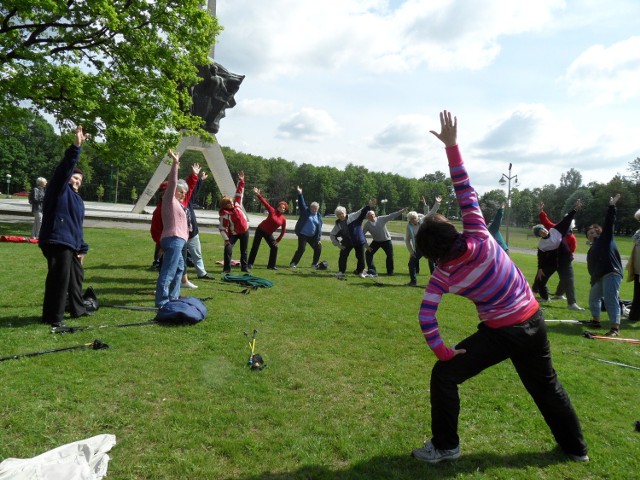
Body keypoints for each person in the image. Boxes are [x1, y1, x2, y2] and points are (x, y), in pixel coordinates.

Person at [411, 110, 588, 464]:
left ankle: (446, 446)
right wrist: (452, 146)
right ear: (451, 230)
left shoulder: (442, 275)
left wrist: (443, 351)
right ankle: (576, 449)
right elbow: (463, 185)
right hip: (533, 321)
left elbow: (426, 316)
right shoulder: (478, 231)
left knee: (444, 375)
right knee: (546, 386)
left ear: (430, 253)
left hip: (503, 331)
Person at [39, 126, 91, 327]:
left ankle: (78, 310)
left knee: (76, 276)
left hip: (71, 242)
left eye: (80, 180)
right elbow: (65, 168)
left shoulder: (77, 200)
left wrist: (82, 247)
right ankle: (53, 317)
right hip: (56, 239)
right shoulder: (59, 189)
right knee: (59, 279)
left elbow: (77, 225)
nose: (76, 182)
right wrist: (76, 147)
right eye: (74, 178)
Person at [531, 200, 584, 311]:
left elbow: (566, 219)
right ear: (539, 236)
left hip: (564, 261)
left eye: (543, 229)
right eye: (540, 232)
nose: (544, 231)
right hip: (551, 263)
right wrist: (540, 268)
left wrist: (575, 209)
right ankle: (545, 298)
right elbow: (540, 257)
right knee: (540, 280)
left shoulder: (556, 230)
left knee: (569, 280)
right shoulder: (542, 245)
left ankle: (572, 304)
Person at [583, 194, 623, 336]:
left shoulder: (606, 239)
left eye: (593, 232)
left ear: (599, 232)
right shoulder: (592, 249)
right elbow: (591, 267)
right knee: (593, 297)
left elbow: (609, 222)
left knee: (611, 298)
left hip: (612, 273)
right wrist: (593, 279)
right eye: (589, 233)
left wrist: (612, 206)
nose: (591, 234)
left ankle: (614, 328)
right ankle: (596, 321)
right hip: (599, 277)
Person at [155, 149, 189, 308]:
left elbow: (187, 192)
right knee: (168, 272)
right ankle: (162, 302)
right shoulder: (169, 199)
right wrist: (175, 163)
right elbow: (174, 182)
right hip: (174, 239)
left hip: (178, 241)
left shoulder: (178, 204)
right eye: (179, 192)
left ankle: (173, 297)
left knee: (179, 268)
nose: (181, 194)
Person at [330, 199, 377, 279]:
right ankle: (341, 271)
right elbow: (332, 235)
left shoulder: (353, 216)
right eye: (338, 214)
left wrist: (369, 206)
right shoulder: (338, 224)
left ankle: (360, 271)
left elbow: (361, 211)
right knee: (342, 256)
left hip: (358, 240)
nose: (341, 215)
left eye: (342, 213)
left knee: (361, 257)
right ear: (337, 216)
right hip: (347, 242)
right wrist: (338, 245)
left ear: (345, 212)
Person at [184, 163, 215, 282]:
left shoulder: (188, 200)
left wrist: (199, 179)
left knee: (197, 255)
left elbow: (193, 189)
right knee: (178, 258)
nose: (182, 195)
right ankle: (177, 277)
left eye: (183, 193)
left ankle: (201, 273)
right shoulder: (175, 203)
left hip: (192, 233)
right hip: (181, 234)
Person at [248, 187, 288, 270]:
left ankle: (271, 265)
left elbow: (283, 231)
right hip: (260, 230)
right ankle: (250, 264)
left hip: (268, 233)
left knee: (274, 247)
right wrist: (258, 194)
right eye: (280, 207)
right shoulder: (272, 210)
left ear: (285, 210)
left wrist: (277, 240)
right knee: (255, 246)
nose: (282, 208)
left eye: (283, 208)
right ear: (278, 207)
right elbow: (265, 203)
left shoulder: (283, 219)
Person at [405, 196, 441, 286]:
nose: (414, 220)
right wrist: (411, 251)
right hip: (418, 247)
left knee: (432, 264)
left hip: (428, 246)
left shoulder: (423, 220)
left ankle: (435, 283)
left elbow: (431, 213)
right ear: (409, 219)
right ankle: (413, 282)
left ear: (417, 217)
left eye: (415, 217)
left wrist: (437, 203)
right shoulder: (409, 227)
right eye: (412, 218)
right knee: (411, 264)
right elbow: (407, 240)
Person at [218, 171, 250, 273]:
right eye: (229, 203)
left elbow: (239, 192)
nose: (232, 203)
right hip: (234, 234)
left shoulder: (237, 204)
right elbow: (222, 228)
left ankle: (244, 268)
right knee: (228, 249)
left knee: (244, 251)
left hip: (245, 231)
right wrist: (226, 239)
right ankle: (227, 269)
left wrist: (241, 181)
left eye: (231, 202)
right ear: (225, 205)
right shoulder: (224, 214)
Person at [363, 206, 407, 276]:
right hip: (376, 241)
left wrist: (401, 211)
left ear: (375, 215)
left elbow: (391, 215)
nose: (372, 216)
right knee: (368, 253)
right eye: (370, 215)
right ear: (367, 217)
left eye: (373, 215)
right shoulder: (367, 225)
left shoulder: (381, 219)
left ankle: (390, 272)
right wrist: (367, 246)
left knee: (390, 255)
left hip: (386, 240)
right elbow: (362, 235)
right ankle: (372, 270)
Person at [289, 186, 323, 268]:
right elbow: (301, 203)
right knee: (301, 249)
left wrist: (318, 239)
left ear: (318, 209)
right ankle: (293, 263)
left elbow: (319, 228)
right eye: (313, 208)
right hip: (303, 235)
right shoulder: (305, 212)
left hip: (312, 236)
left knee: (318, 247)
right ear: (310, 207)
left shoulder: (319, 216)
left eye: (316, 208)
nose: (314, 209)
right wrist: (300, 193)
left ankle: (314, 264)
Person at [625, 208, 640, 322]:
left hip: (637, 268)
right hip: (637, 268)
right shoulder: (638, 233)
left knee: (637, 294)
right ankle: (634, 315)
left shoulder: (637, 233)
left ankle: (634, 315)